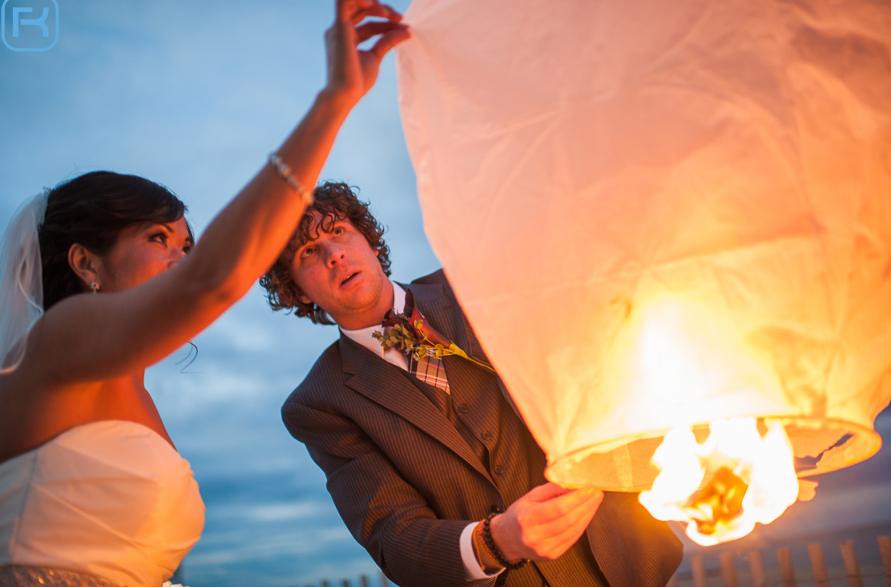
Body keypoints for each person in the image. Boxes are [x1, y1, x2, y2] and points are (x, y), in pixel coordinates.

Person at [0, 0, 409, 587]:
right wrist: (335, 99)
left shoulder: (134, 397)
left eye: (187, 246)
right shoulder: (55, 342)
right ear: (85, 261)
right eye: (158, 236)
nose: (180, 258)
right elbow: (212, 280)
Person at [262, 183, 684, 587]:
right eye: (309, 252)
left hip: (635, 559)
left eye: (339, 232)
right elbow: (392, 536)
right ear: (298, 291)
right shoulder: (319, 404)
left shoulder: (478, 283)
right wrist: (495, 542)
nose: (334, 254)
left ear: (370, 242)